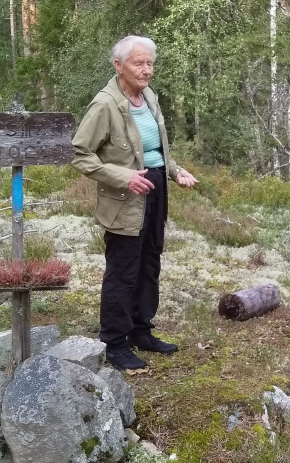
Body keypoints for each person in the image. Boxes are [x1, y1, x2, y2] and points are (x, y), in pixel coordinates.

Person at [71, 35, 198, 371]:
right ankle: (114, 342)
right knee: (123, 269)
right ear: (118, 65)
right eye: (138, 63)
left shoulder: (149, 97)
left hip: (155, 189)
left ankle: (141, 330)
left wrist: (175, 171)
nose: (146, 70)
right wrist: (123, 177)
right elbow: (79, 154)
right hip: (124, 197)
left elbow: (156, 150)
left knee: (149, 262)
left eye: (150, 63)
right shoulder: (104, 105)